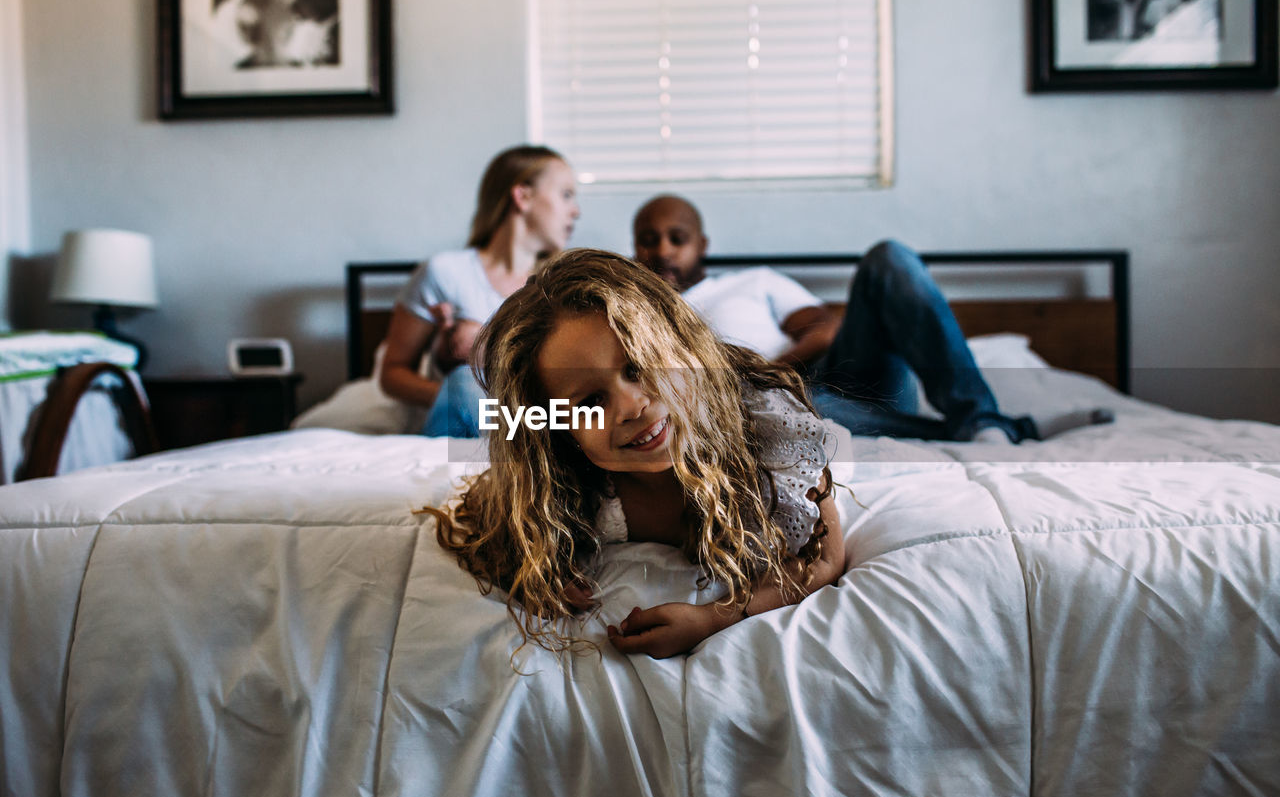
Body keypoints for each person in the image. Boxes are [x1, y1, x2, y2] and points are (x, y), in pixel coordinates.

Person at [423, 249, 844, 659]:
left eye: (639, 367)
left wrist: (713, 618)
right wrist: (530, 570)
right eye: (590, 403)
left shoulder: (771, 431)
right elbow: (484, 518)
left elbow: (824, 557)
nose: (631, 407)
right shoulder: (565, 478)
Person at [632, 194, 1109, 442]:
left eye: (677, 237)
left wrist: (777, 367)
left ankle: (978, 415)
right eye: (649, 239)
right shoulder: (634, 311)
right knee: (766, 414)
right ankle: (1003, 429)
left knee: (890, 258)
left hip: (837, 375)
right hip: (773, 408)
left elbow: (827, 327)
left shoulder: (754, 280)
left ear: (703, 245)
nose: (663, 250)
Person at [379, 145, 580, 436]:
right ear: (522, 196)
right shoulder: (445, 273)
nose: (576, 211)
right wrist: (460, 393)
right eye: (566, 195)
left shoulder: (560, 286)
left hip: (534, 426)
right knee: (465, 381)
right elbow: (392, 375)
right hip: (457, 431)